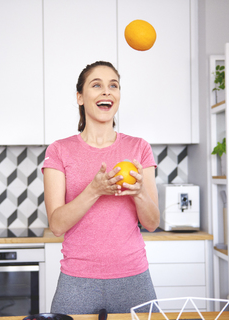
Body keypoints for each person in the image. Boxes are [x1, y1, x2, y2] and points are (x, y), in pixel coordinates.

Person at [42, 61, 160, 314]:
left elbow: (152, 222)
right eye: (97, 85)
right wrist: (94, 190)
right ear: (80, 97)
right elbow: (56, 225)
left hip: (133, 278)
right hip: (77, 279)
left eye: (113, 86)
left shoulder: (139, 148)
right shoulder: (59, 150)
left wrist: (139, 193)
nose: (107, 91)